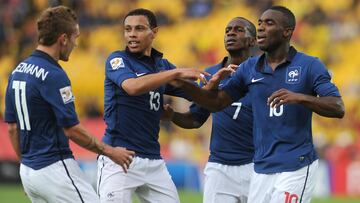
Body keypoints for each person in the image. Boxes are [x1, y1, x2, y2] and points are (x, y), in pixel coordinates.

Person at [169, 6, 345, 203]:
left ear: (287, 31)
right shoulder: (249, 69)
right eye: (259, 23)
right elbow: (217, 103)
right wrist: (181, 84)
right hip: (261, 169)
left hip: (296, 165)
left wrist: (301, 97)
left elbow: (338, 107)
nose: (261, 28)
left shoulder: (309, 65)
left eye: (269, 24)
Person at [4, 6, 135, 203]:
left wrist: (26, 166)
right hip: (55, 169)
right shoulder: (54, 74)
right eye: (75, 37)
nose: (75, 43)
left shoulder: (16, 72)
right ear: (63, 38)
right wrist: (111, 152)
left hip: (29, 172)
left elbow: (13, 128)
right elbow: (72, 130)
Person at [97, 8, 206, 203]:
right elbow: (132, 86)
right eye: (127, 29)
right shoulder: (117, 59)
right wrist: (175, 73)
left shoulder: (162, 66)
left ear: (154, 32)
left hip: (153, 160)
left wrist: (216, 82)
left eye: (139, 28)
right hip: (120, 157)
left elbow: (198, 93)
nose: (131, 34)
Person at [162, 17, 256, 203]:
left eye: (238, 30)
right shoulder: (210, 73)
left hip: (257, 165)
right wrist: (172, 116)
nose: (231, 33)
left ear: (252, 40)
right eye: (228, 30)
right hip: (219, 169)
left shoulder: (263, 72)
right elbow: (196, 119)